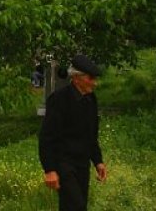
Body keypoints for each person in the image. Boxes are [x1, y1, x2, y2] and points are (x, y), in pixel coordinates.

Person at [39, 54, 107, 211]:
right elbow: (46, 137)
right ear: (76, 78)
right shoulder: (59, 100)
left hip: (82, 165)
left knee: (71, 207)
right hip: (64, 164)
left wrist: (98, 161)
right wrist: (49, 169)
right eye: (91, 78)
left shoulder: (91, 99)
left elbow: (92, 134)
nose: (94, 83)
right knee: (77, 206)